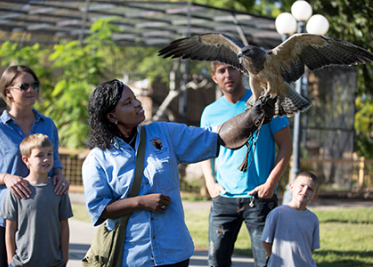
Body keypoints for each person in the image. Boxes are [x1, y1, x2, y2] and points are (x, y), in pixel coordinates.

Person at [82, 79, 276, 267]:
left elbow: (215, 135)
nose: (137, 103)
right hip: (131, 256)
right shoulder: (98, 159)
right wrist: (141, 202)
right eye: (128, 102)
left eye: (135, 98)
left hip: (173, 252)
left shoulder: (163, 133)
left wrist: (250, 117)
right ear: (111, 116)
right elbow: (99, 209)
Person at [0, 65, 69, 267]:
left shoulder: (48, 125)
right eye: (24, 86)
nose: (31, 90)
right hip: (6, 216)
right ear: (8, 92)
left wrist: (59, 175)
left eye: (34, 85)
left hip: (42, 215)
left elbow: (56, 161)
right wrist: (5, 178)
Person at [200, 62, 293, 267]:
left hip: (260, 198)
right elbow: (204, 150)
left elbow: (286, 145)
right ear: (214, 78)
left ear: (242, 71)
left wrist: (271, 183)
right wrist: (210, 183)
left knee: (267, 262)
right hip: (223, 199)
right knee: (216, 262)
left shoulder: (266, 103)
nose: (228, 75)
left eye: (231, 68)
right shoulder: (209, 112)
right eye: (221, 71)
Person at [0, 133, 73, 267]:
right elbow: (10, 229)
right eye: (39, 155)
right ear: (26, 160)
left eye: (49, 154)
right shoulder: (16, 190)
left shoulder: (59, 189)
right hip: (21, 264)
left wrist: (65, 258)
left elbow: (64, 227)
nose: (46, 159)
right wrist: (11, 261)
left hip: (54, 263)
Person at [261, 171, 320, 267]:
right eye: (302, 185)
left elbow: (311, 247)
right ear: (291, 187)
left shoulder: (313, 219)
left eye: (310, 189)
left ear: (315, 196)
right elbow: (266, 241)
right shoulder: (277, 214)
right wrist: (277, 259)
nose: (305, 190)